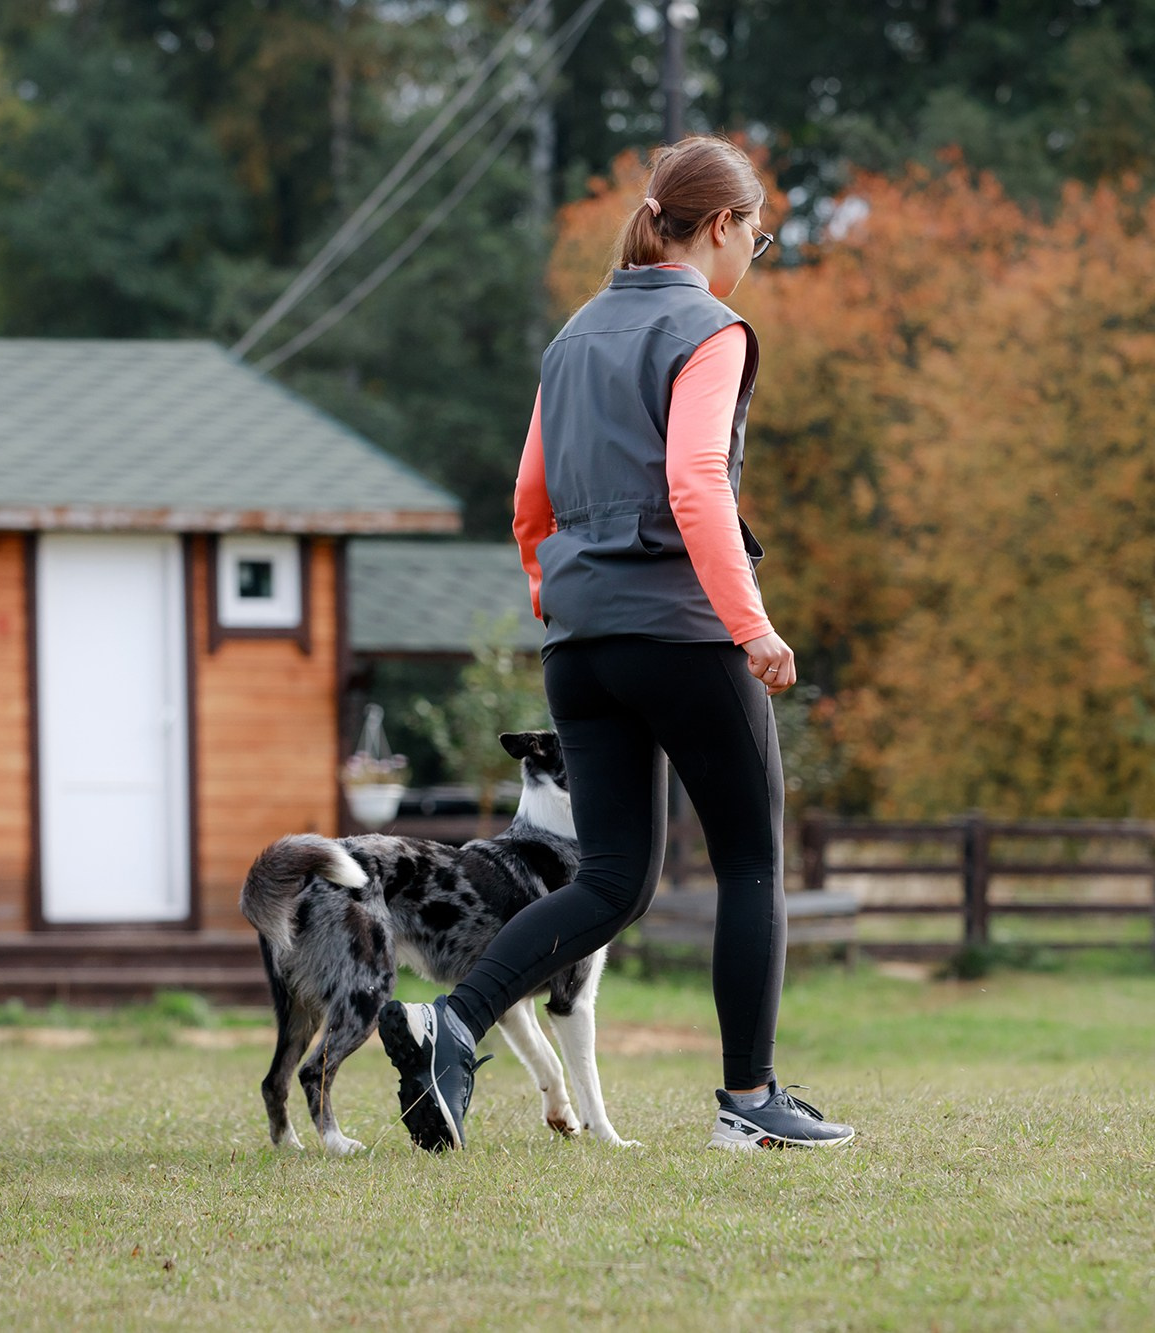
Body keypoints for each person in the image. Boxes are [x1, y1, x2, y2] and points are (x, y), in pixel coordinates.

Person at [379, 135, 854, 1153]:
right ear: (720, 226)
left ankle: (448, 1023)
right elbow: (694, 483)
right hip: (680, 633)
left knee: (612, 879)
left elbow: (527, 503)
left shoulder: (573, 336)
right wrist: (750, 624)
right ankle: (748, 1101)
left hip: (579, 643)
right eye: (755, 239)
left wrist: (566, 602)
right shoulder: (709, 329)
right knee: (750, 863)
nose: (750, 258)